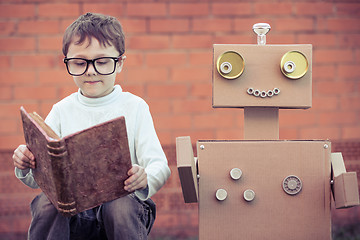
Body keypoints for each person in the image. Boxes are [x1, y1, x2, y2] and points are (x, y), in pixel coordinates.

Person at [12, 12, 171, 240]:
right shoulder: (61, 110)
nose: (91, 70)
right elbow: (41, 180)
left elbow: (159, 165)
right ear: (67, 61)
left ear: (120, 63)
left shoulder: (135, 107)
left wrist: (145, 177)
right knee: (47, 204)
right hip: (74, 213)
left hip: (123, 211)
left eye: (102, 61)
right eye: (79, 62)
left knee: (118, 205)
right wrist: (26, 165)